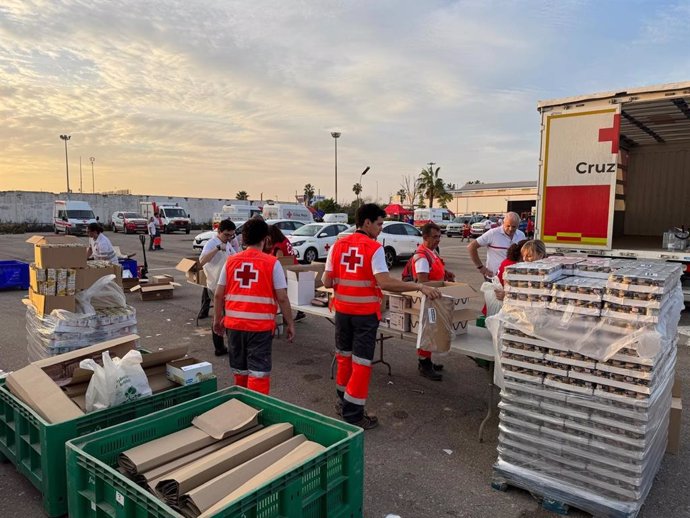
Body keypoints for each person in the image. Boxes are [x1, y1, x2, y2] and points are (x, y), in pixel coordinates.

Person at [323, 203, 441, 429]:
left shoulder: (337, 246)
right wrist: (419, 287)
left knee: (344, 358)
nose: (380, 228)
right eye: (378, 224)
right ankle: (354, 414)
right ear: (366, 223)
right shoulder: (373, 248)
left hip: (342, 313)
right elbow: (385, 282)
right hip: (364, 316)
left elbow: (327, 281)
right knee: (361, 364)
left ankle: (342, 402)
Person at [213, 218, 295, 395]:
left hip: (234, 327)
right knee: (258, 374)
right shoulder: (272, 263)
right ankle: (256, 414)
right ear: (265, 239)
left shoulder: (231, 261)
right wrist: (290, 323)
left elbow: (219, 294)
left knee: (240, 372)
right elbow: (282, 298)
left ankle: (242, 412)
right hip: (260, 329)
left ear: (243, 239)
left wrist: (217, 320)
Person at [410, 222, 456, 381]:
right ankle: (424, 364)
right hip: (429, 299)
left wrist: (445, 274)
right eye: (435, 237)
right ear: (425, 237)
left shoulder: (431, 252)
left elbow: (435, 269)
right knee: (427, 331)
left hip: (435, 297)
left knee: (432, 330)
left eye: (439, 236)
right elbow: (423, 281)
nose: (438, 240)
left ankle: (427, 360)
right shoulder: (422, 256)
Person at [200, 220, 241, 356]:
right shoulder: (212, 243)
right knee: (219, 316)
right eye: (226, 235)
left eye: (232, 235)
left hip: (227, 285)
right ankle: (219, 347)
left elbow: (235, 257)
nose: (229, 237)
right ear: (219, 232)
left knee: (227, 316)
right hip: (215, 285)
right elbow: (202, 260)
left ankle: (230, 345)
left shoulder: (228, 243)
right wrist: (217, 248)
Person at [264, 225, 306, 321]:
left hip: (287, 271)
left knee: (284, 295)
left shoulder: (277, 246)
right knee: (293, 294)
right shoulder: (284, 240)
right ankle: (299, 313)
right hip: (295, 266)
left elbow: (279, 261)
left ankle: (286, 317)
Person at [468, 212, 525, 280]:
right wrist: (481, 267)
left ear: (518, 225)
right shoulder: (493, 233)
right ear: (503, 223)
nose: (510, 229)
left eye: (514, 227)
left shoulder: (521, 235)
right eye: (508, 226)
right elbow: (471, 247)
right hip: (494, 277)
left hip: (513, 277)